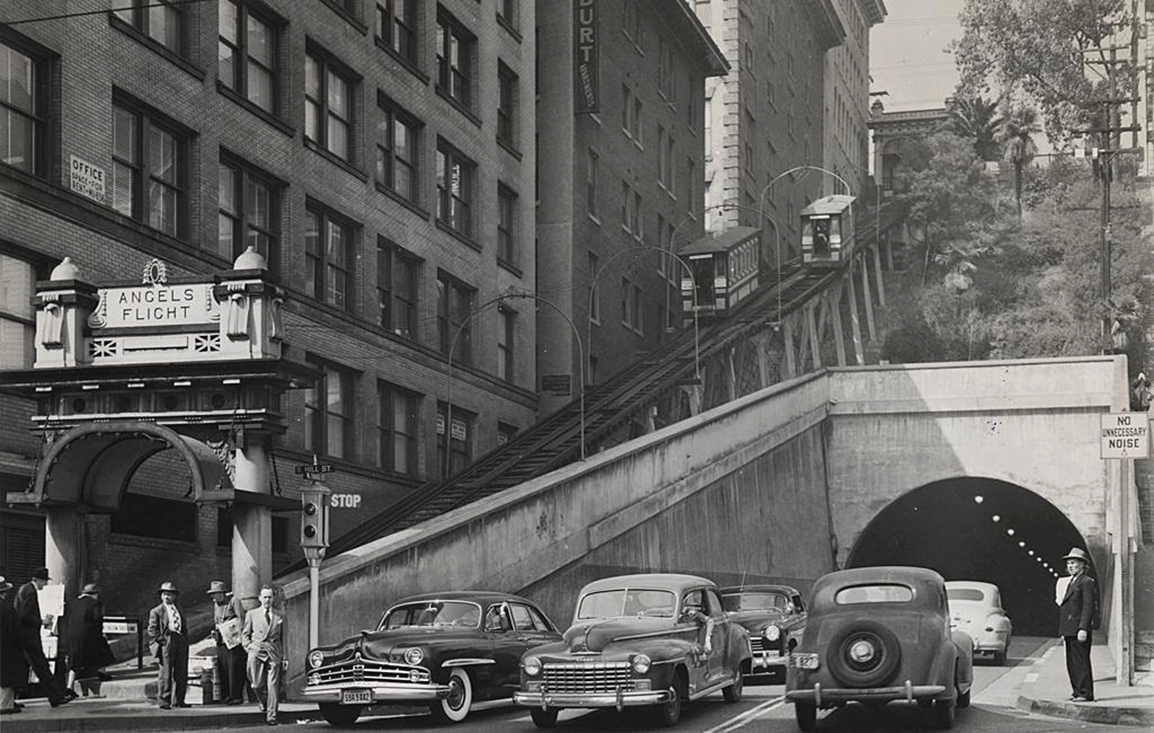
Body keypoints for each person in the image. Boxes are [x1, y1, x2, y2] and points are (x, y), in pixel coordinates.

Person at [13, 568, 71, 707]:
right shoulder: (30, 591)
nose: (44, 585)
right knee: (41, 666)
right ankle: (55, 697)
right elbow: (24, 615)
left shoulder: (23, 589)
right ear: (36, 580)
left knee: (21, 667)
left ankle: (12, 699)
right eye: (44, 581)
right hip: (29, 637)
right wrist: (42, 621)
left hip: (21, 636)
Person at [1057, 547, 1096, 702]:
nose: (1070, 566)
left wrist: (1083, 628)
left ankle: (1086, 693)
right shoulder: (1073, 581)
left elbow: (1088, 606)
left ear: (1082, 565)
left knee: (1080, 661)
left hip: (1078, 628)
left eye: (1073, 563)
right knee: (1071, 662)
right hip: (1069, 629)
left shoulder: (1086, 582)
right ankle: (1077, 691)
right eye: (1069, 564)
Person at [242, 587, 285, 726]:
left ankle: (271, 716)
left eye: (270, 597)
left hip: (273, 651)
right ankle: (263, 701)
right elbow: (245, 635)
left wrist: (285, 657)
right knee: (257, 684)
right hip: (257, 651)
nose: (267, 600)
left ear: (273, 599)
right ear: (260, 598)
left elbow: (284, 637)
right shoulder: (251, 614)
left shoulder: (280, 615)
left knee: (273, 685)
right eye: (265, 597)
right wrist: (249, 647)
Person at [63, 584, 113, 697]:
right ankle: (102, 673)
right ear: (95, 594)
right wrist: (101, 634)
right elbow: (97, 620)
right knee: (102, 645)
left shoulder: (74, 603)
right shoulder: (95, 603)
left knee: (74, 660)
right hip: (89, 634)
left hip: (72, 635)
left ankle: (69, 687)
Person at [147, 581, 189, 710]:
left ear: (175, 596)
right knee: (165, 672)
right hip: (167, 640)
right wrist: (162, 640)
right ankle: (164, 700)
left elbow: (183, 625)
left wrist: (185, 639)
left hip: (180, 639)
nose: (167, 597)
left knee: (181, 671)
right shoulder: (156, 611)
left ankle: (179, 700)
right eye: (164, 594)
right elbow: (152, 630)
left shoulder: (179, 608)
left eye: (169, 594)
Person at [208, 580, 247, 705]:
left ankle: (236, 695)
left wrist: (239, 635)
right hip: (221, 640)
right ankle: (227, 695)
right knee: (223, 668)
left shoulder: (234, 601)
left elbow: (241, 619)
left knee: (235, 668)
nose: (215, 597)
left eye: (217, 594)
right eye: (213, 594)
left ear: (223, 593)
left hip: (233, 640)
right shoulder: (216, 604)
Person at [1, 576, 28, 715]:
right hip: (6, 649)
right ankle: (5, 705)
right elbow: (15, 631)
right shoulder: (6, 608)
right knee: (7, 677)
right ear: (4, 592)